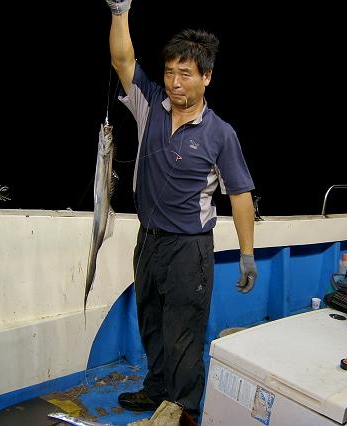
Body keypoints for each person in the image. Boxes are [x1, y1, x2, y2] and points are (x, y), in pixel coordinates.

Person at [105, 0, 258, 420]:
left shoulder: (220, 134)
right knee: (151, 322)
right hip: (148, 242)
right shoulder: (150, 104)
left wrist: (247, 253)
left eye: (185, 74)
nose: (174, 82)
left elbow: (240, 196)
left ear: (206, 77)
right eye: (170, 72)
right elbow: (122, 60)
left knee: (184, 332)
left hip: (190, 250)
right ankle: (156, 389)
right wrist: (120, 11)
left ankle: (184, 407)